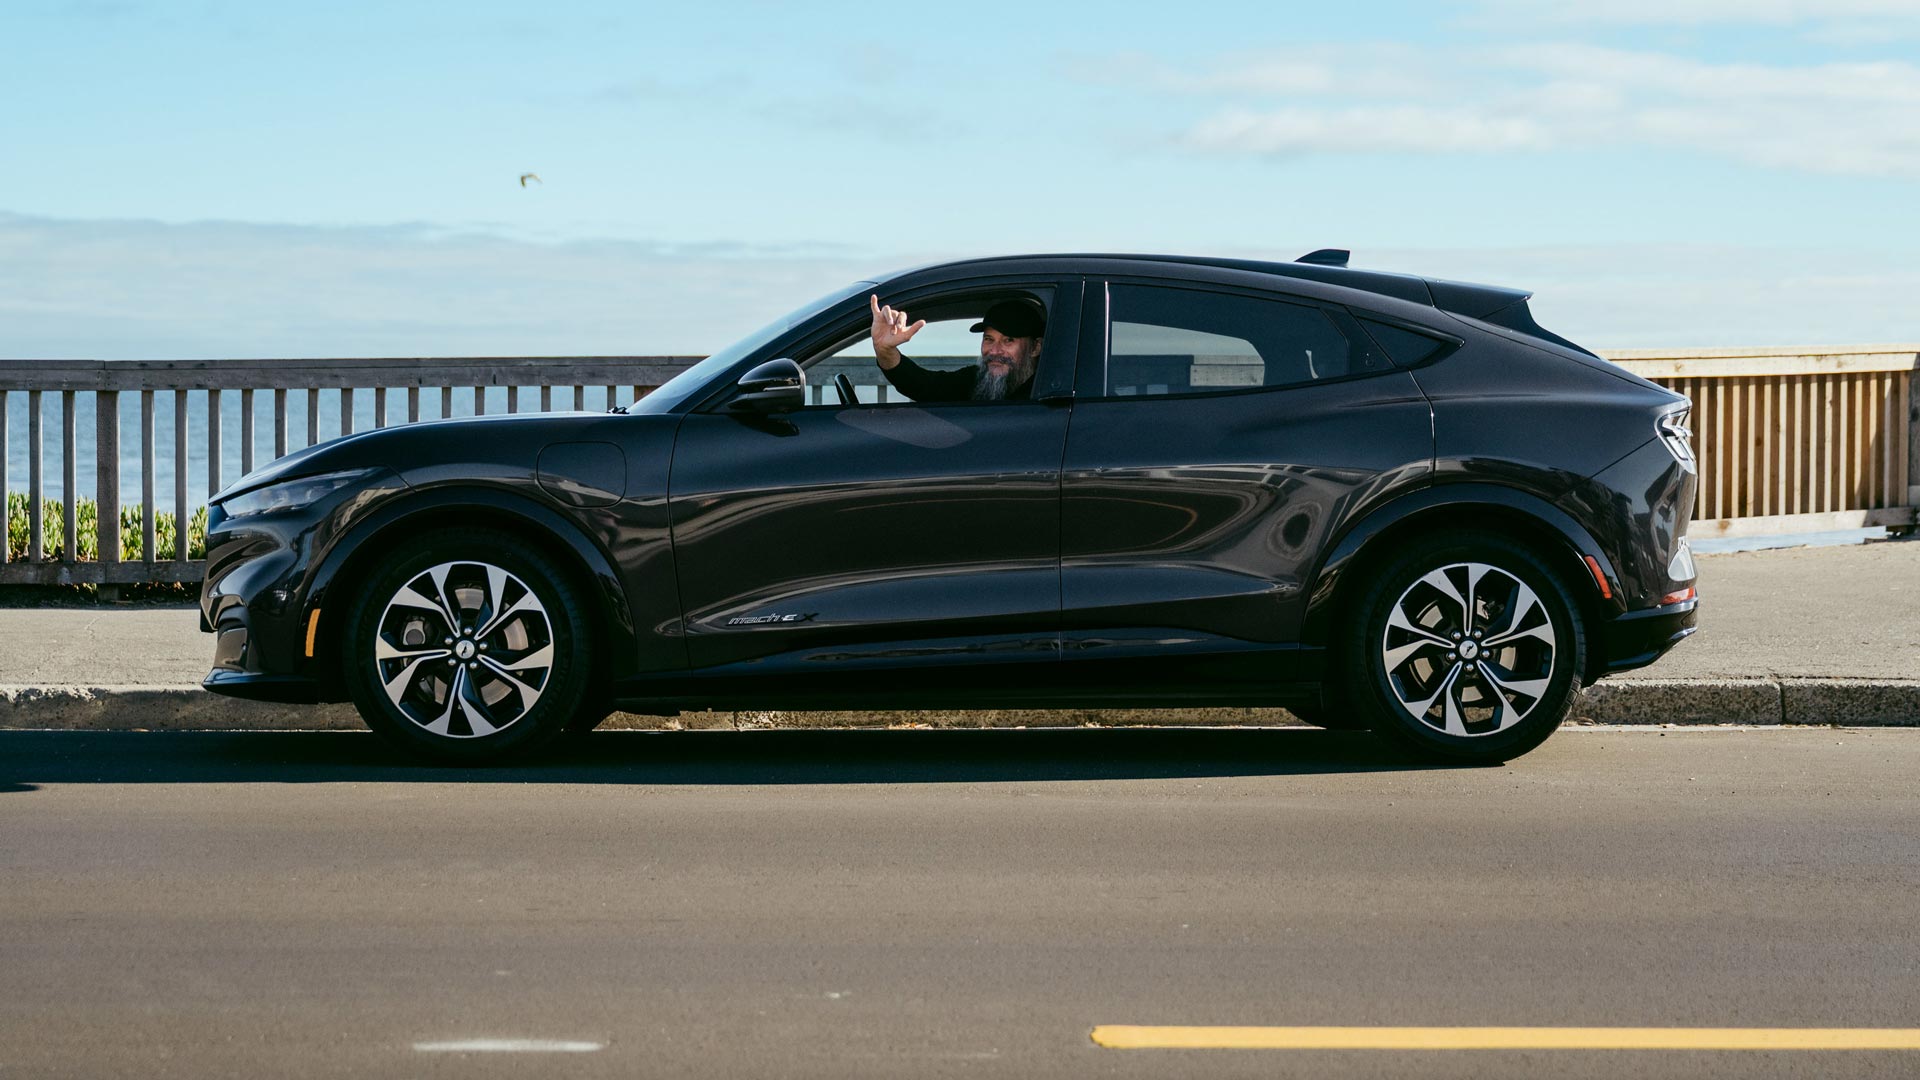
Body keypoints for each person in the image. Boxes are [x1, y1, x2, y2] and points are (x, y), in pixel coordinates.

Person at [868, 295, 1045, 402]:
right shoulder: (976, 380)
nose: (994, 350)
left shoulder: (1047, 392)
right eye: (989, 339)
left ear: (1035, 348)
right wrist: (885, 350)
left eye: (1008, 340)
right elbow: (923, 385)